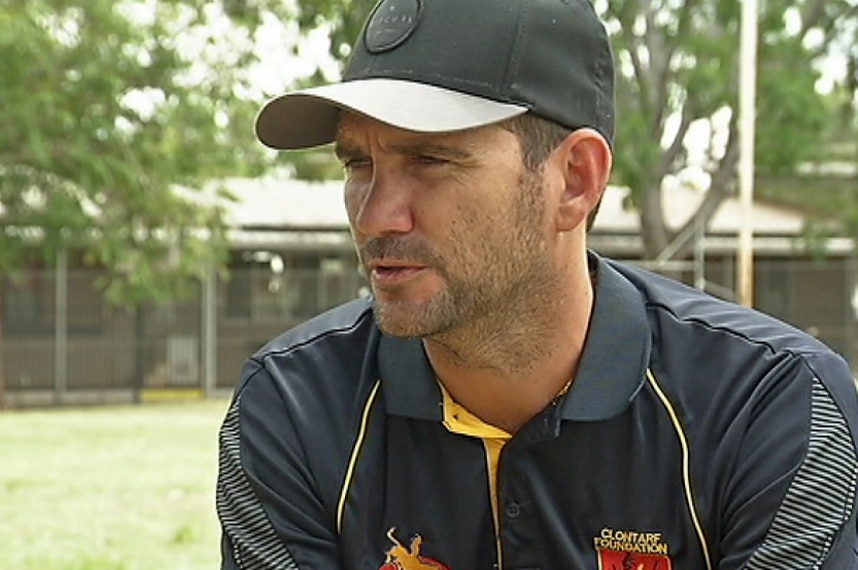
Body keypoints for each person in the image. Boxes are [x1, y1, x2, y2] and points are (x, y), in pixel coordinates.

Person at [215, 0, 858, 568]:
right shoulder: (294, 409)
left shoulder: (767, 406)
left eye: (431, 160)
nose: (376, 215)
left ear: (575, 180)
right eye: (359, 163)